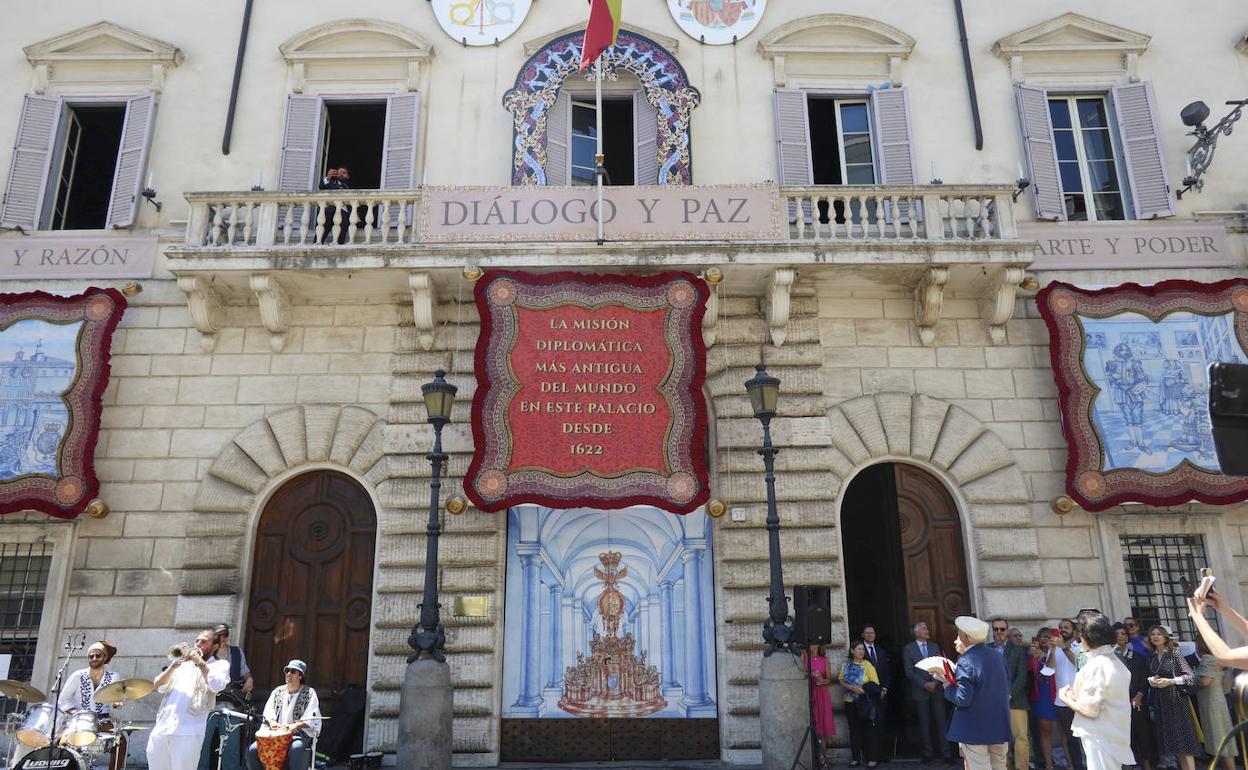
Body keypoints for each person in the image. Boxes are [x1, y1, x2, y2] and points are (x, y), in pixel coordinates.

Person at [1058, 612, 1133, 770]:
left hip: (1101, 737)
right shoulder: (1114, 660)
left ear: (1086, 636)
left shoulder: (1097, 665)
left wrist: (1066, 698)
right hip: (1115, 733)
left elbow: (1089, 710)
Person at [147, 629, 231, 770]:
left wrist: (198, 661)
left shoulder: (219, 665)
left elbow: (216, 685)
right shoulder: (182, 666)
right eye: (197, 641)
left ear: (215, 646)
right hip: (162, 728)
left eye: (204, 642)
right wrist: (176, 663)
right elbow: (158, 685)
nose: (198, 644)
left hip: (189, 731)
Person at [940, 616, 1012, 770]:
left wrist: (947, 686)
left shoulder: (966, 660)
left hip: (975, 727)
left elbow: (963, 698)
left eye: (959, 634)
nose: (957, 637)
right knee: (1000, 766)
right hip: (999, 724)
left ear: (966, 637)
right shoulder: (998, 656)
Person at [57, 640, 126, 770]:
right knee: (62, 742)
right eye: (91, 656)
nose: (94, 658)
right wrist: (75, 713)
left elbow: (116, 699)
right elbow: (62, 701)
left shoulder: (113, 677)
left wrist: (117, 703)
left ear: (105, 658)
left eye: (98, 655)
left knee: (120, 742)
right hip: (79, 720)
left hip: (103, 720)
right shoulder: (77, 675)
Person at [246, 659, 323, 770]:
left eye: (293, 671)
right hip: (275, 734)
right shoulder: (278, 691)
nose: (288, 674)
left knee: (296, 748)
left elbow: (311, 718)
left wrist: (293, 726)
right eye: (287, 671)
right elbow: (269, 713)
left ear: (300, 676)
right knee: (252, 750)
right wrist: (273, 723)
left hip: (298, 735)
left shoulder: (309, 693)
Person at [1145, 624, 1199, 770]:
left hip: (1177, 701)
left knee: (1185, 743)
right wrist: (1154, 681)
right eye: (1153, 634)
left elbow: (1191, 677)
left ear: (1165, 637)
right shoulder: (1153, 656)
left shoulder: (1175, 653)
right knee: (1175, 745)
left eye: (1159, 634)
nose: (1155, 637)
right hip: (1162, 703)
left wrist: (1171, 681)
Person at [903, 620, 953, 763]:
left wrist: (935, 682)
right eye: (924, 628)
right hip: (920, 691)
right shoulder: (908, 649)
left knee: (941, 722)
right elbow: (909, 671)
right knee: (924, 723)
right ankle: (928, 754)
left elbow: (940, 666)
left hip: (936, 690)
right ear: (916, 632)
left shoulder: (934, 646)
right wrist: (924, 684)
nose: (927, 630)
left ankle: (946, 754)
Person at [1111, 623, 1156, 770]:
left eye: (1123, 633)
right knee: (1124, 736)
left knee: (1143, 734)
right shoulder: (1110, 658)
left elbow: (1145, 678)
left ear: (1127, 636)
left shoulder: (1136, 657)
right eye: (1116, 634)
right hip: (1118, 703)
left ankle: (1147, 765)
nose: (1120, 637)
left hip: (1136, 701)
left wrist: (1139, 695)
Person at [989, 618, 1030, 770]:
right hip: (994, 702)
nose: (999, 632)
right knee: (999, 739)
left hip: (1016, 701)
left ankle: (1022, 767)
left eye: (1002, 629)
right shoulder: (987, 649)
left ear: (1007, 631)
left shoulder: (1018, 650)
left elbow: (1022, 676)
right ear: (992, 631)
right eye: (996, 629)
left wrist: (1010, 694)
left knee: (1020, 738)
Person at [1194, 635, 1237, 770]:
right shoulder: (1218, 658)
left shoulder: (1208, 659)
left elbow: (1205, 681)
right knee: (1222, 738)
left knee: (1220, 738)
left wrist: (1190, 678)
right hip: (1218, 700)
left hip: (1211, 703)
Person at [1049, 619, 1085, 770]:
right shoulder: (1055, 649)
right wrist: (1052, 650)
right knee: (1071, 740)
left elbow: (1079, 663)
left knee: (1086, 738)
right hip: (1062, 701)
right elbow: (1048, 670)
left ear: (1075, 631)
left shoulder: (1081, 647)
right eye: (1060, 628)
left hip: (1081, 700)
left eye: (1066, 627)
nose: (1063, 630)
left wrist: (1064, 648)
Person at [840, 640, 882, 768]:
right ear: (852, 651)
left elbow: (875, 684)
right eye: (859, 649)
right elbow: (841, 679)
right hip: (850, 701)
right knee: (854, 730)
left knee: (868, 730)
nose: (862, 651)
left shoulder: (868, 665)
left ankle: (872, 758)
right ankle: (856, 758)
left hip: (865, 702)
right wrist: (852, 688)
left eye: (863, 649)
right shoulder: (846, 664)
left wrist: (863, 691)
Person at [1029, 629, 1058, 770]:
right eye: (1041, 636)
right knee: (1045, 731)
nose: (1044, 639)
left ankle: (1071, 764)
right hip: (1042, 695)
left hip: (1058, 693)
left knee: (1065, 732)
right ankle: (1049, 765)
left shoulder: (1059, 651)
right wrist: (1032, 652)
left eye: (1048, 636)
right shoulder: (1034, 654)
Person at [804, 644, 836, 764]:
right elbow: (801, 674)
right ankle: (812, 755)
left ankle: (822, 755)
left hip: (822, 693)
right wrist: (811, 673)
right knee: (813, 722)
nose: (812, 646)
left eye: (815, 644)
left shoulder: (825, 659)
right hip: (810, 692)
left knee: (824, 722)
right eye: (811, 644)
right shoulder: (805, 657)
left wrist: (823, 680)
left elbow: (829, 678)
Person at [213, 624, 255, 698]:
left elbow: (244, 671)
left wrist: (249, 679)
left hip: (233, 698)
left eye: (225, 635)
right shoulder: (209, 653)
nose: (222, 638)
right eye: (219, 635)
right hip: (213, 698)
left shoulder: (237, 651)